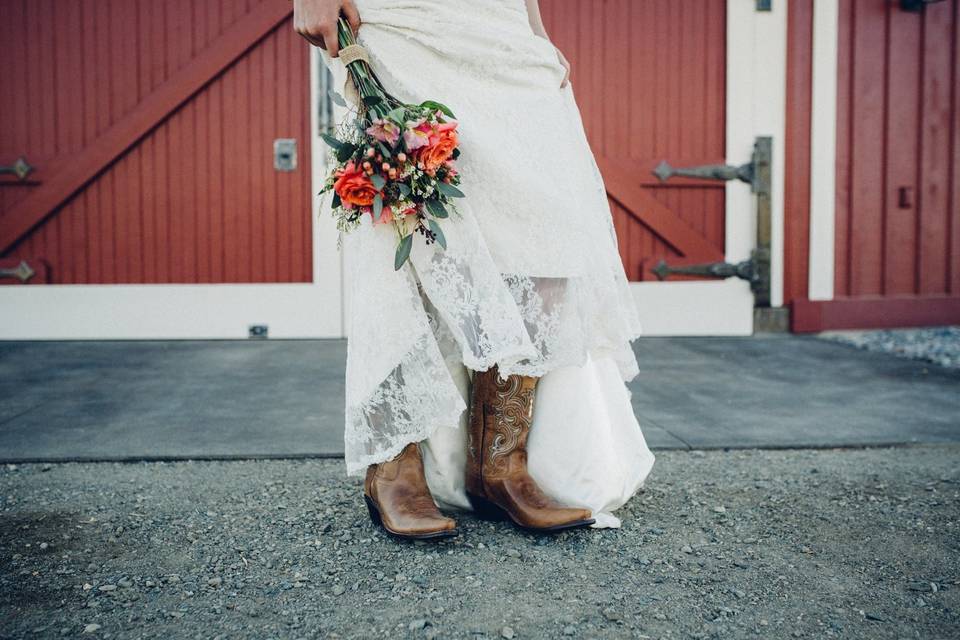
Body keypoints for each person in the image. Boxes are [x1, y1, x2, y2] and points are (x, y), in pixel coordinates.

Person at [293, 0, 656, 539]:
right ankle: (394, 465)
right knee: (404, 222)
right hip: (401, 19)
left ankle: (499, 465)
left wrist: (532, 27)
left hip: (500, 25)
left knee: (544, 224)